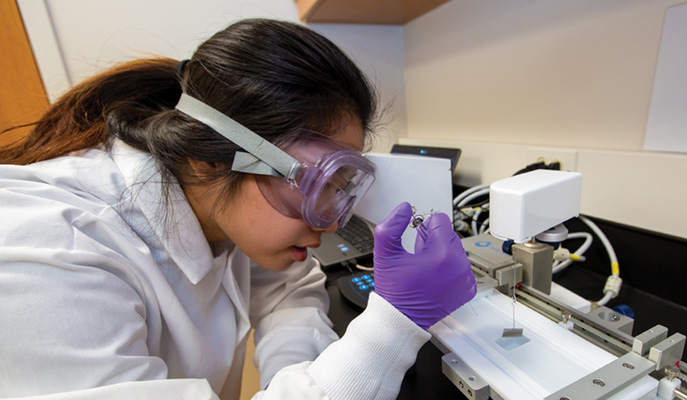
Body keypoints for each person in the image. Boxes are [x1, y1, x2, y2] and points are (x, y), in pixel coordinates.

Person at [0, 19, 476, 400]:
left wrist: (299, 380)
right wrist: (392, 325)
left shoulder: (213, 205)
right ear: (209, 155)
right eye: (312, 182)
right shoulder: (51, 255)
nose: (329, 221)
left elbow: (289, 290)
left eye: (341, 183)